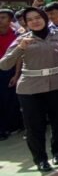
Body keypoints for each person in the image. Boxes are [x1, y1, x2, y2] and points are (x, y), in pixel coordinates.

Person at [0, 7, 58, 171]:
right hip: (30, 88)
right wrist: (20, 48)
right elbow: (4, 64)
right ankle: (40, 159)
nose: (35, 21)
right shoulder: (22, 39)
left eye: (38, 17)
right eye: (30, 19)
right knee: (34, 126)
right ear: (25, 23)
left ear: (45, 18)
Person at [0, 8, 22, 141]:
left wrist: (16, 74)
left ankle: (12, 126)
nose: (0, 20)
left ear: (10, 20)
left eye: (3, 17)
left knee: (9, 100)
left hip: (10, 71)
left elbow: (19, 57)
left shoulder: (17, 35)